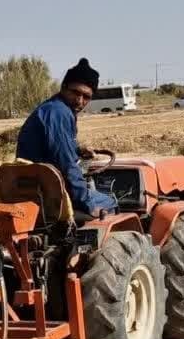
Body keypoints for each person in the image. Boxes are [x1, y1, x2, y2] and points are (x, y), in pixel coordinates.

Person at [15, 58, 118, 220]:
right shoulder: (59, 112)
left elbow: (54, 147)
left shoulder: (52, 108)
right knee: (110, 201)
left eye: (86, 97)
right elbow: (67, 165)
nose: (80, 101)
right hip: (49, 191)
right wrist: (87, 204)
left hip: (35, 186)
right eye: (75, 93)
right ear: (64, 87)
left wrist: (78, 150)